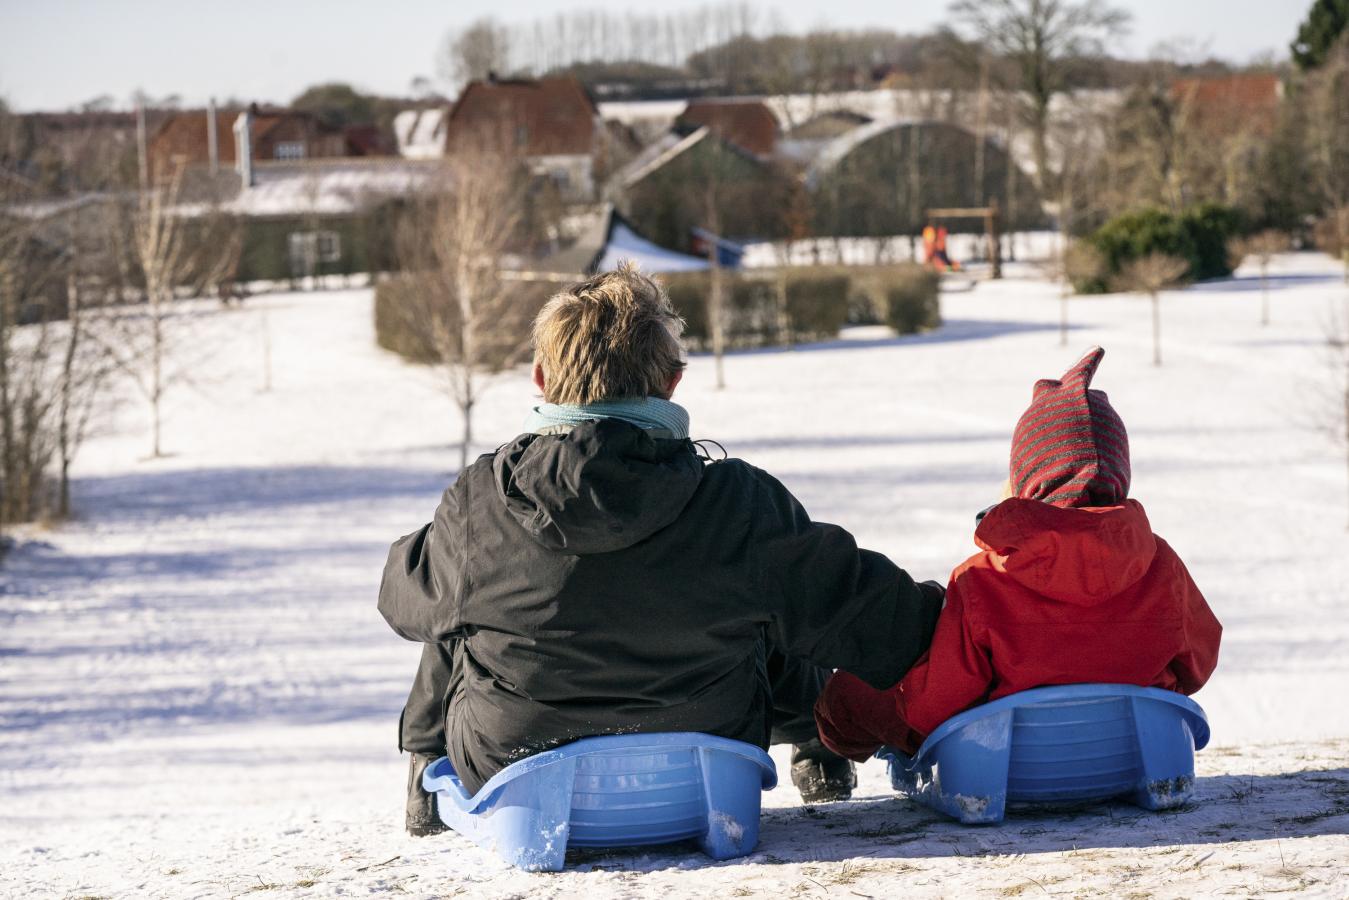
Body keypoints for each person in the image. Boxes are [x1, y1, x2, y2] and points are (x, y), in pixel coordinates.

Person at [378, 264, 945, 835]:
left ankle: (424, 768)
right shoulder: (740, 504)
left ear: (542, 379)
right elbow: (884, 622)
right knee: (775, 590)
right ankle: (815, 743)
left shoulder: (482, 502)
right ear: (672, 382)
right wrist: (968, 603)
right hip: (706, 763)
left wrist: (438, 544)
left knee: (454, 601)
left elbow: (402, 602)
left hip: (517, 770)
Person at [814, 347, 1222, 761]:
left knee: (847, 694)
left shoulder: (982, 578)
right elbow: (1199, 662)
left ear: (1026, 476)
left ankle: (835, 752)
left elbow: (937, 703)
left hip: (1016, 766)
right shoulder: (1162, 563)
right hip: (1132, 751)